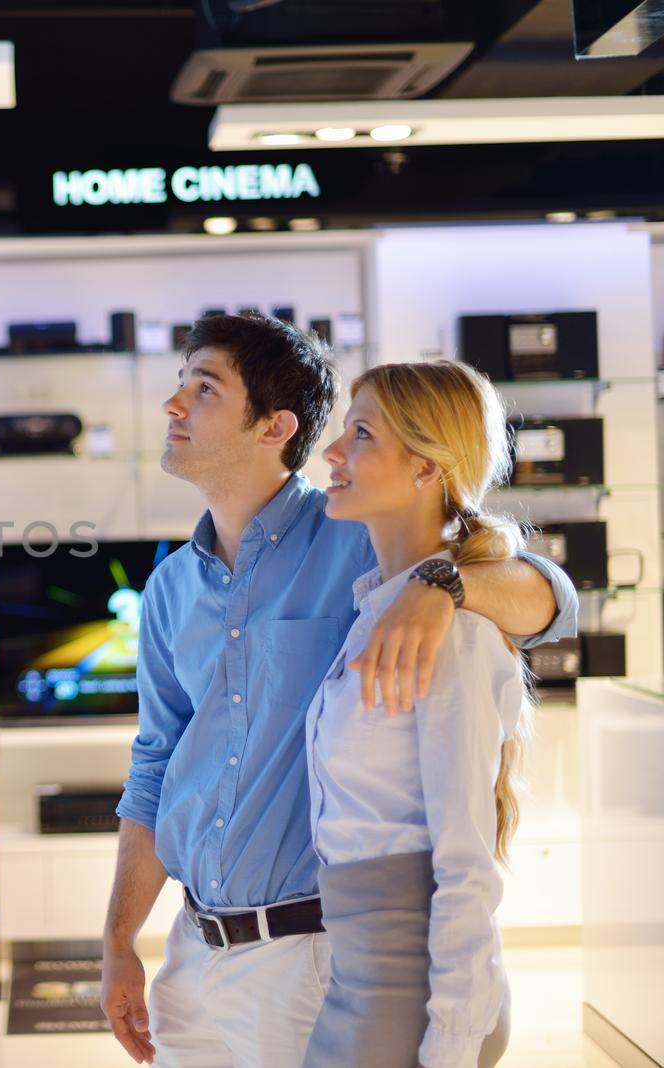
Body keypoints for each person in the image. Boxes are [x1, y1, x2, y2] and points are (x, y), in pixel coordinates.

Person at [99, 315, 577, 1067]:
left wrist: (441, 584)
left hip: (312, 956)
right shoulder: (167, 590)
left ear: (274, 426)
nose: (173, 405)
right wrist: (121, 940)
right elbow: (156, 766)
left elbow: (553, 600)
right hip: (192, 958)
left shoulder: (363, 534)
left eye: (204, 387)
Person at [303, 361, 525, 1067]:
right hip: (365, 977)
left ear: (428, 468)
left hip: (413, 993)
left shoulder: (451, 632)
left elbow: (466, 863)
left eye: (360, 434)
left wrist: (453, 1044)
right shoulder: (382, 607)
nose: (332, 454)